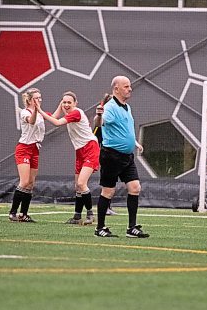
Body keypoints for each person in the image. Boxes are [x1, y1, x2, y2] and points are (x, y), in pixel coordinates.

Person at [94, 76, 149, 238]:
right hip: (111, 156)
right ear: (116, 89)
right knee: (108, 191)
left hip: (126, 156)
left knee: (135, 188)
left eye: (129, 86)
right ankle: (100, 228)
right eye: (126, 86)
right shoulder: (110, 107)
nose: (130, 89)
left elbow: (124, 129)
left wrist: (135, 143)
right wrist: (98, 115)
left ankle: (131, 228)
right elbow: (99, 123)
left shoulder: (126, 107)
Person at [36, 91, 99, 225]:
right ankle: (77, 217)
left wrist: (39, 110)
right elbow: (54, 116)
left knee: (82, 183)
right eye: (64, 102)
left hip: (90, 148)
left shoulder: (76, 113)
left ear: (75, 103)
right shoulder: (69, 112)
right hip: (80, 151)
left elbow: (57, 122)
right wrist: (58, 106)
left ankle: (90, 214)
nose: (66, 105)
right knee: (78, 186)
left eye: (69, 102)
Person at [8, 88, 46, 223]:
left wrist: (61, 105)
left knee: (30, 184)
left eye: (40, 97)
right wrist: (36, 109)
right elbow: (31, 121)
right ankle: (13, 212)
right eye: (36, 98)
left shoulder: (40, 113)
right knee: (24, 182)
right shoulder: (25, 112)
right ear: (30, 100)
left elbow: (53, 117)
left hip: (35, 148)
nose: (39, 100)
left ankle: (24, 214)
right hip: (24, 148)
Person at [93, 93, 117, 216]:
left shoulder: (117, 116)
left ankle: (108, 206)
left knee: (112, 182)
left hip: (115, 153)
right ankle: (104, 208)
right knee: (107, 183)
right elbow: (95, 135)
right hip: (105, 153)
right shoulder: (101, 119)